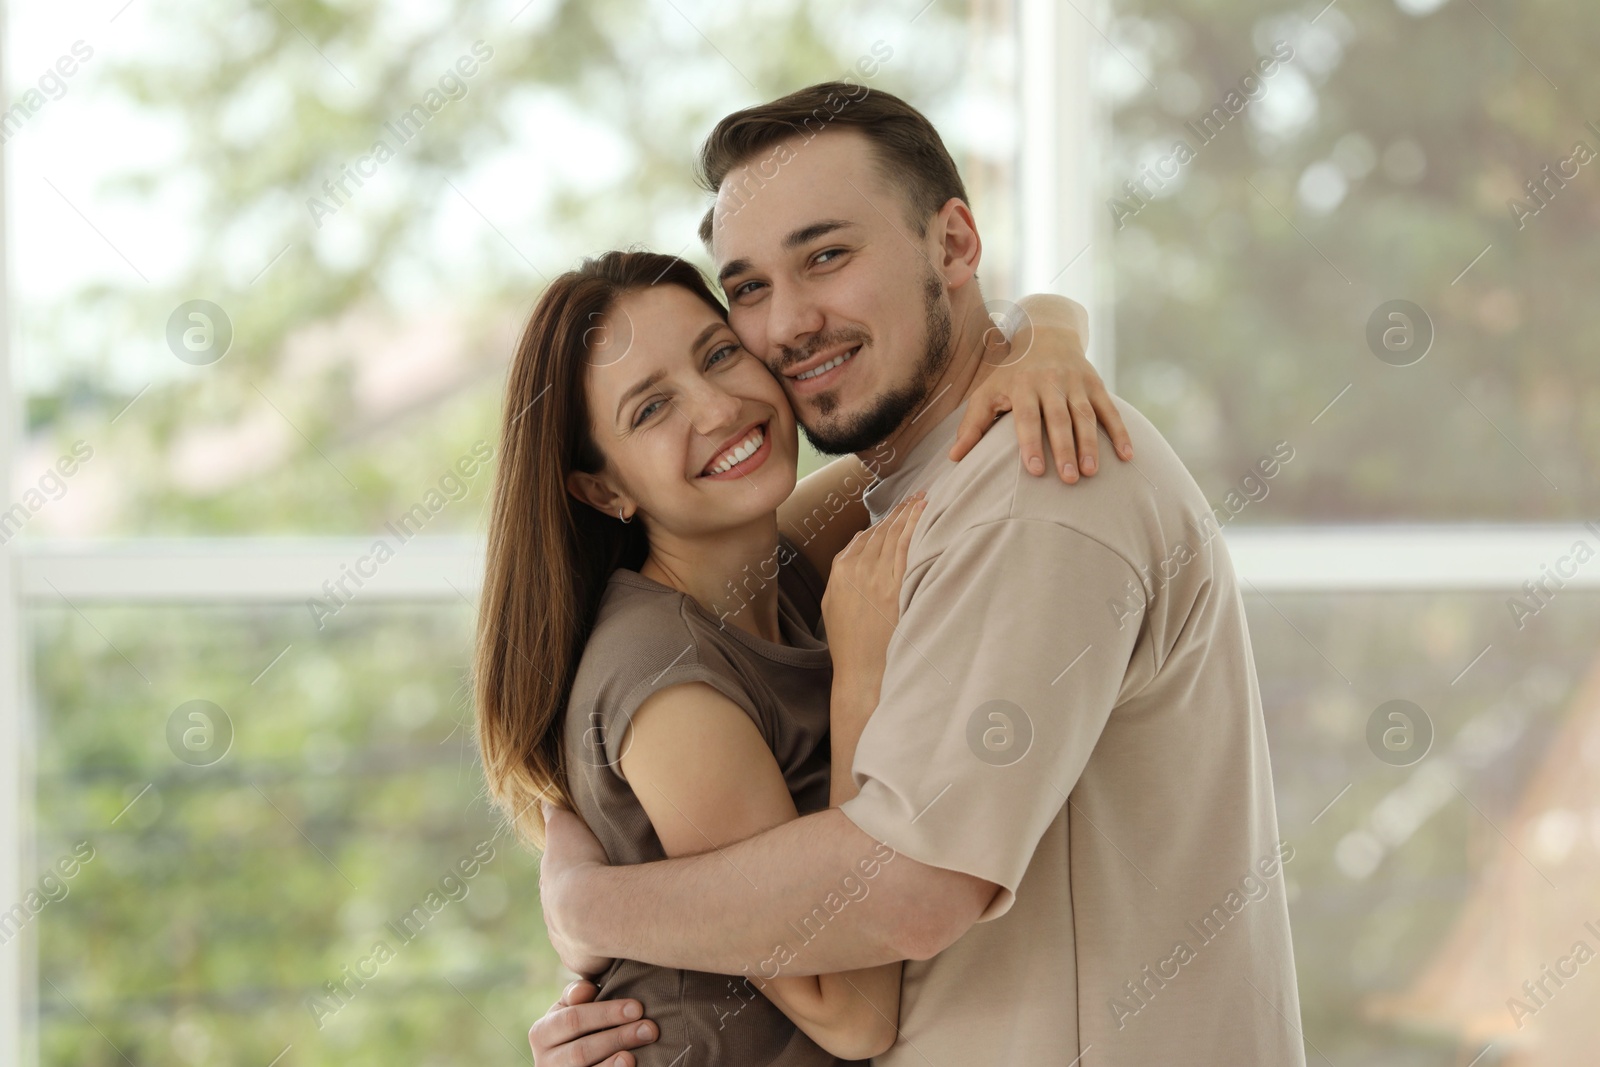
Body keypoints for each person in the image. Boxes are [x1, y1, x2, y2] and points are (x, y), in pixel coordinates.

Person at [534, 82, 1306, 1067]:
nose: (787, 327)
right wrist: (1046, 329)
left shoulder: (1037, 487)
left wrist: (592, 901)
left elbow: (905, 888)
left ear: (951, 245)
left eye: (826, 256)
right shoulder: (896, 492)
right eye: (751, 288)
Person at [475, 246, 1126, 1065]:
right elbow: (851, 1013)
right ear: (604, 490)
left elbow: (956, 432)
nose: (717, 408)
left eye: (718, 354)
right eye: (651, 409)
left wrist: (1049, 343)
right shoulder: (667, 677)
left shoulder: (776, 558)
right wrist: (859, 682)